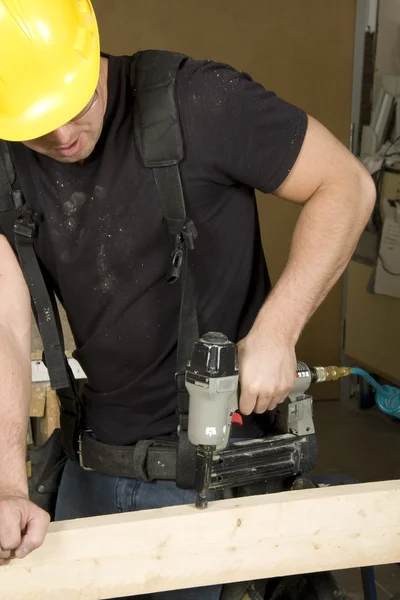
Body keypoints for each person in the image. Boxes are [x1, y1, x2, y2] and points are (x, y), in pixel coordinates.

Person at [0, 1, 375, 599]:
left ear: (90, 50)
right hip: (88, 467)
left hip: (212, 473)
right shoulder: (6, 155)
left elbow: (347, 185)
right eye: (35, 127)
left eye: (75, 107)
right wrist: (8, 489)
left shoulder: (198, 101)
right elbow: (6, 326)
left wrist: (277, 330)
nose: (63, 136)